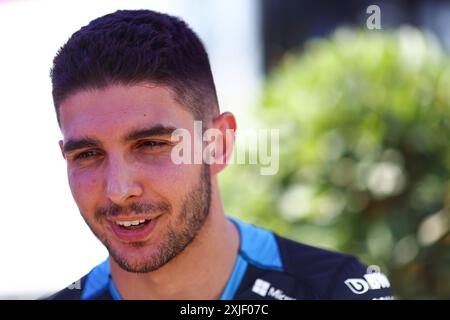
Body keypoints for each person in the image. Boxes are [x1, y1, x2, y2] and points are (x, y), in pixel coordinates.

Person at [48, 9, 392, 300]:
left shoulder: (337, 290)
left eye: (151, 144)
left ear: (218, 144)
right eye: (89, 153)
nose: (118, 189)